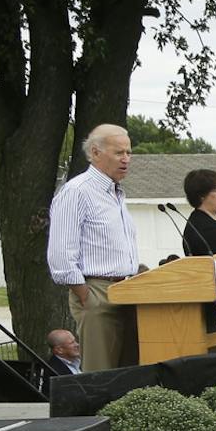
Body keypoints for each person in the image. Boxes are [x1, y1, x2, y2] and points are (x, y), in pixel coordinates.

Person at [47, 124, 138, 368]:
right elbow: (60, 254)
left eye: (129, 153)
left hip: (128, 291)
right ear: (96, 153)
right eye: (119, 153)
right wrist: (86, 296)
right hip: (97, 291)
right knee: (101, 374)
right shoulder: (77, 192)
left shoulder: (116, 193)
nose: (126, 159)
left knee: (127, 372)